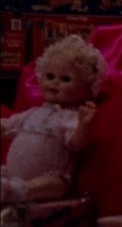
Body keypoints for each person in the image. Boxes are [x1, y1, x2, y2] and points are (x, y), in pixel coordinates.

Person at [1, 34, 105, 204]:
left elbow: (77, 144)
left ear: (88, 87)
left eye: (65, 79)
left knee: (55, 185)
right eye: (49, 76)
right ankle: (8, 187)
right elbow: (8, 126)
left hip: (51, 177)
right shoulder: (33, 113)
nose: (54, 83)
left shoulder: (70, 117)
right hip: (12, 173)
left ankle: (17, 192)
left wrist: (84, 125)